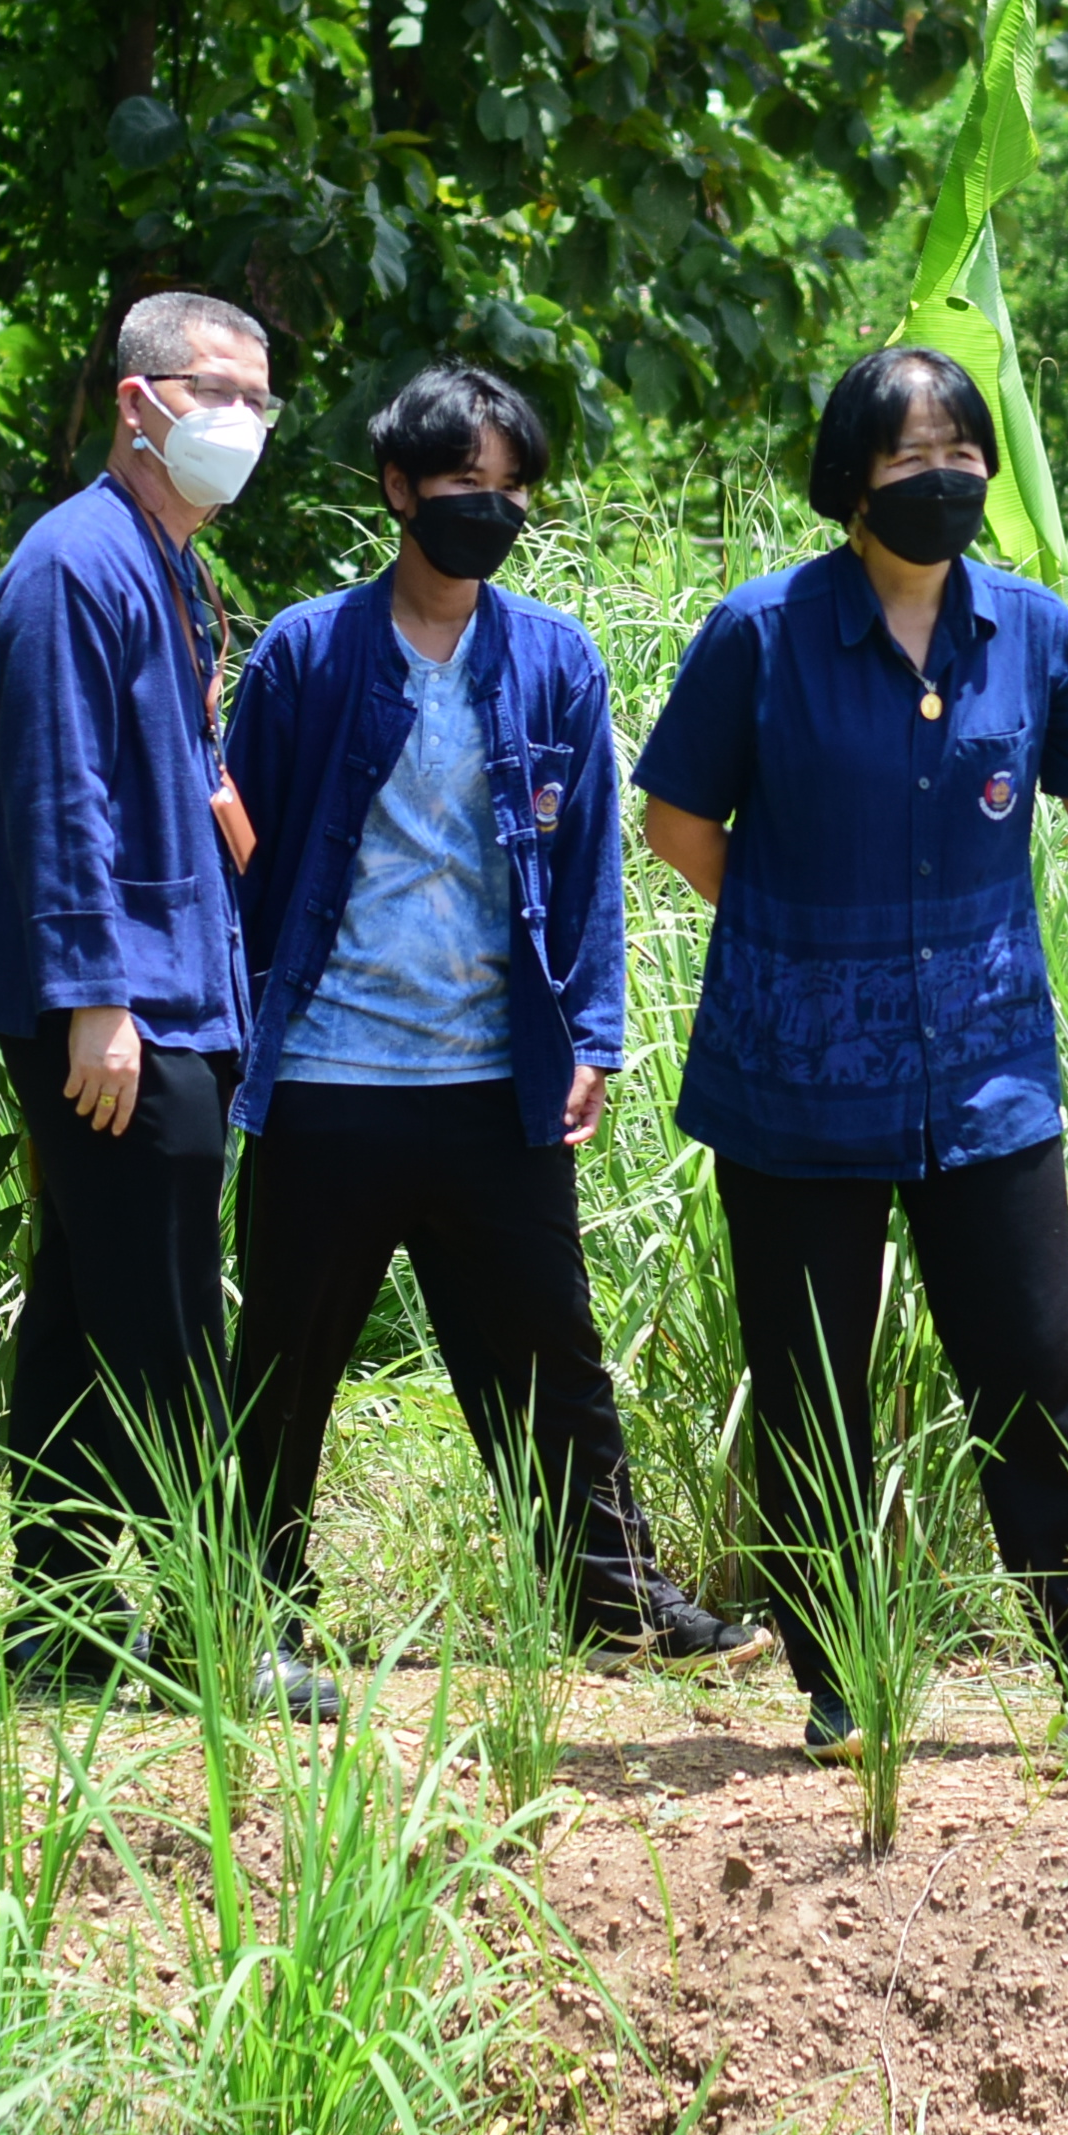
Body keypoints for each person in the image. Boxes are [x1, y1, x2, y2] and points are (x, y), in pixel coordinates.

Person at [635, 344, 1068, 1763]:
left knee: (1032, 1364)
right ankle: (835, 1676)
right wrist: (796, 926)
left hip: (986, 1077)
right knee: (809, 1383)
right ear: (851, 477)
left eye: (964, 454)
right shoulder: (762, 633)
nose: (947, 479)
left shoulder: (1031, 634)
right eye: (911, 458)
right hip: (792, 1081)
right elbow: (676, 819)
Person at [223, 364, 767, 1723]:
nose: (491, 511)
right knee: (285, 1365)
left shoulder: (555, 659)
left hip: (494, 1076)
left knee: (550, 1357)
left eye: (512, 490)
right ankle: (251, 1615)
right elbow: (249, 854)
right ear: (400, 489)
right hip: (329, 1077)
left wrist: (593, 1034)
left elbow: (588, 865)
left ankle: (615, 1604)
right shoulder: (306, 653)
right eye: (466, 487)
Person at [0, 289, 276, 1674]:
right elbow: (61, 797)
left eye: (259, 399)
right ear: (138, 404)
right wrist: (96, 1001)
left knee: (86, 1300)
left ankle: (59, 1612)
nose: (240, 423)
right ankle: (214, 1625)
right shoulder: (74, 564)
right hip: (115, 1005)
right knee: (172, 1311)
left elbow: (179, 781)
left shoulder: (168, 564)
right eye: (214, 392)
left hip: (179, 980)